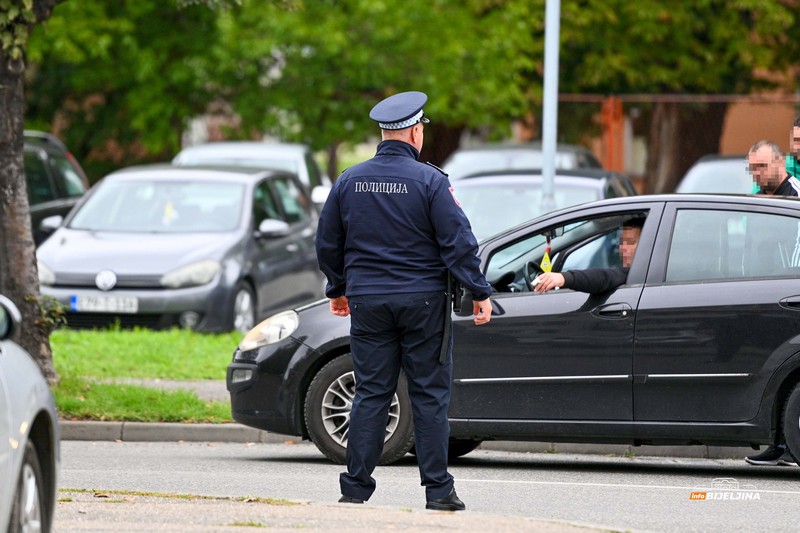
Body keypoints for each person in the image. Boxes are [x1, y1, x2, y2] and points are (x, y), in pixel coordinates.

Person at [315, 91, 493, 511]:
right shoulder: (431, 181)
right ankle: (438, 492)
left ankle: (354, 488)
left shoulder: (349, 180)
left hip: (369, 303)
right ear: (415, 132)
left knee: (372, 393)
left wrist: (336, 289)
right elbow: (458, 243)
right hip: (423, 304)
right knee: (429, 395)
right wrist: (480, 291)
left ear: (383, 133)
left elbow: (328, 243)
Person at [532, 217, 643, 294]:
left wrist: (563, 278)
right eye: (622, 242)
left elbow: (605, 278)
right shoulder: (641, 273)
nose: (622, 248)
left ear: (645, 243)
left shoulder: (641, 274)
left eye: (630, 242)